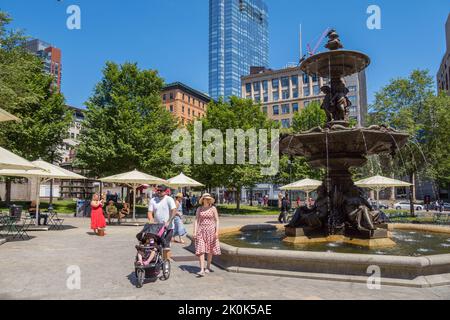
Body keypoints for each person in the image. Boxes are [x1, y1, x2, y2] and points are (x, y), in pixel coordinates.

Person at [193, 193, 221, 277]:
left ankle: (208, 267)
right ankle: (201, 269)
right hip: (201, 230)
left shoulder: (213, 208)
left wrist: (217, 232)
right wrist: (194, 231)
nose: (208, 200)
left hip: (211, 230)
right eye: (206, 198)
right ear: (203, 200)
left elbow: (217, 220)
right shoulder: (199, 208)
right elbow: (196, 220)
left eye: (209, 199)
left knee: (209, 250)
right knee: (201, 249)